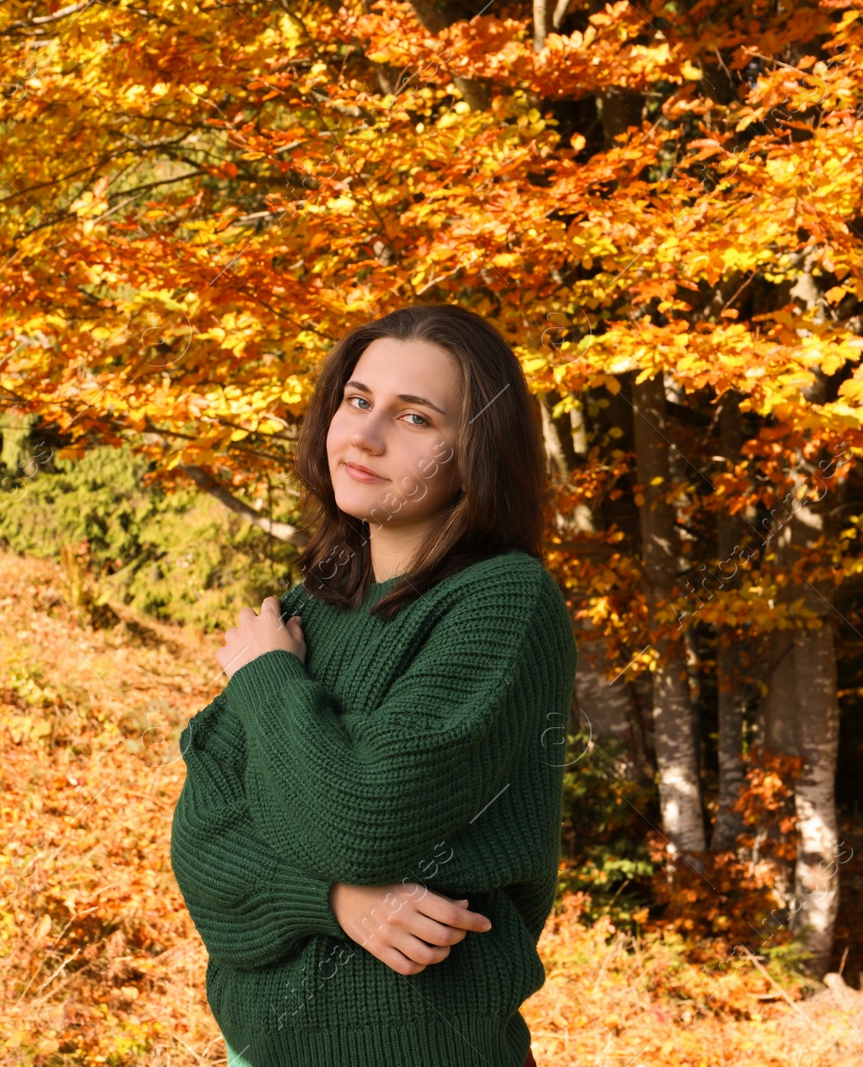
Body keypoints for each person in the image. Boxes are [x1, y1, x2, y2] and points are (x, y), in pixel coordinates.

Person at [168, 303, 576, 1067]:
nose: (364, 434)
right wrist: (334, 901)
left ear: (474, 451)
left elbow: (366, 815)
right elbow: (203, 837)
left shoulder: (502, 601)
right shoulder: (309, 605)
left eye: (415, 418)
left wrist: (266, 678)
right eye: (357, 400)